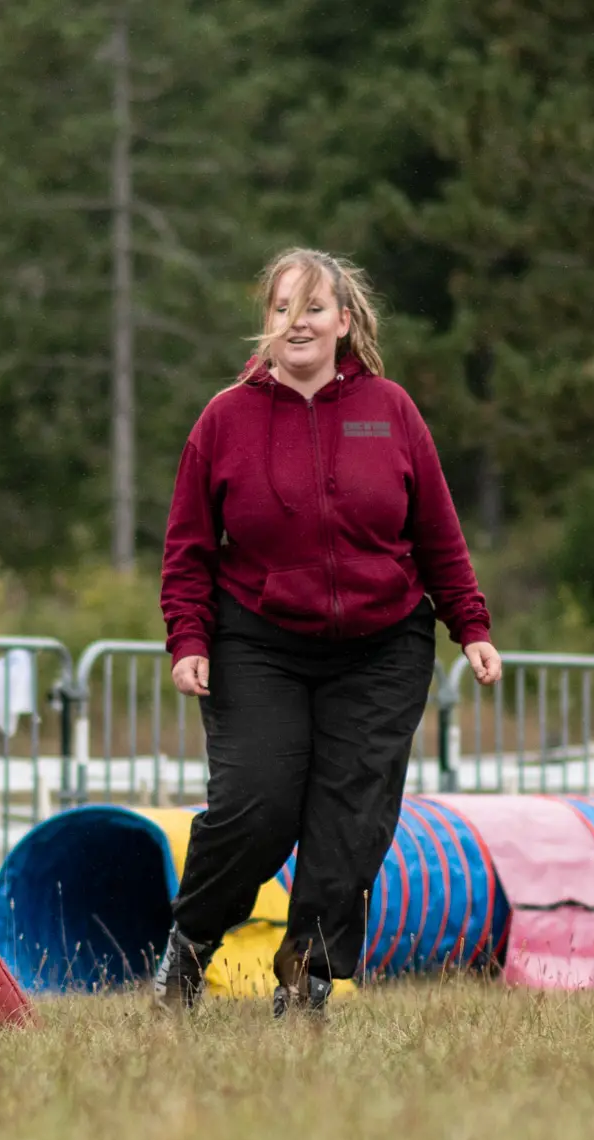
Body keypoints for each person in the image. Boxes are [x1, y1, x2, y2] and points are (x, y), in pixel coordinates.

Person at [154, 248, 503, 1017]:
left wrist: (468, 623)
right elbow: (187, 548)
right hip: (259, 641)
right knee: (257, 805)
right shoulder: (225, 418)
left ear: (344, 322)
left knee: (350, 821)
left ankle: (306, 978)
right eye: (282, 309)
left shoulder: (392, 409)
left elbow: (437, 531)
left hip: (383, 645)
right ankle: (190, 944)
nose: (297, 323)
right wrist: (189, 639)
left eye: (313, 308)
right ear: (267, 324)